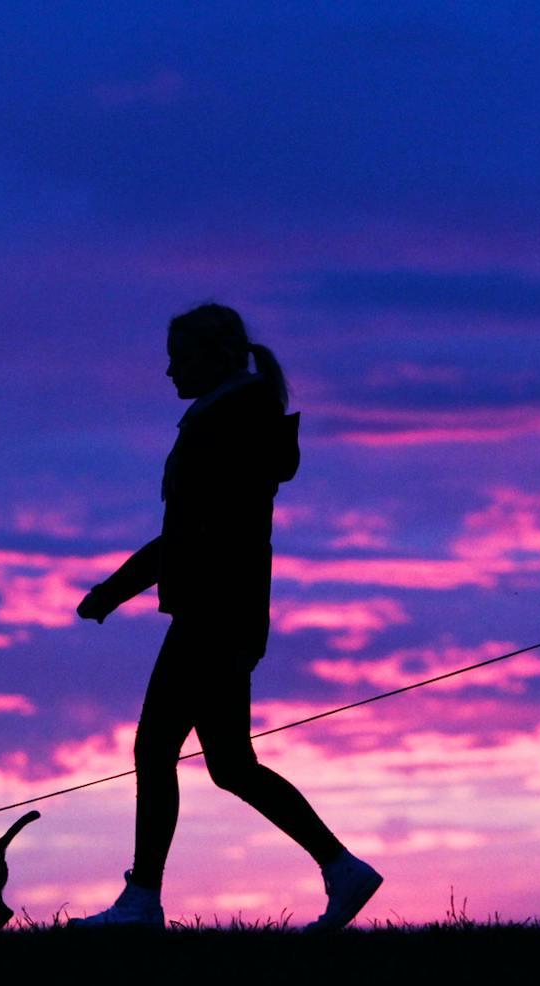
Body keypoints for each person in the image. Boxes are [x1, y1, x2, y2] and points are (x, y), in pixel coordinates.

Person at [71, 302, 382, 929]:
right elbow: (197, 532)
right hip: (227, 612)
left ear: (215, 356)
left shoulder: (228, 423)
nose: (168, 371)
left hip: (214, 613)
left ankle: (142, 898)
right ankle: (342, 869)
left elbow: (196, 536)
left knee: (156, 747)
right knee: (231, 765)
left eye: (179, 356)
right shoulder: (233, 417)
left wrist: (114, 589)